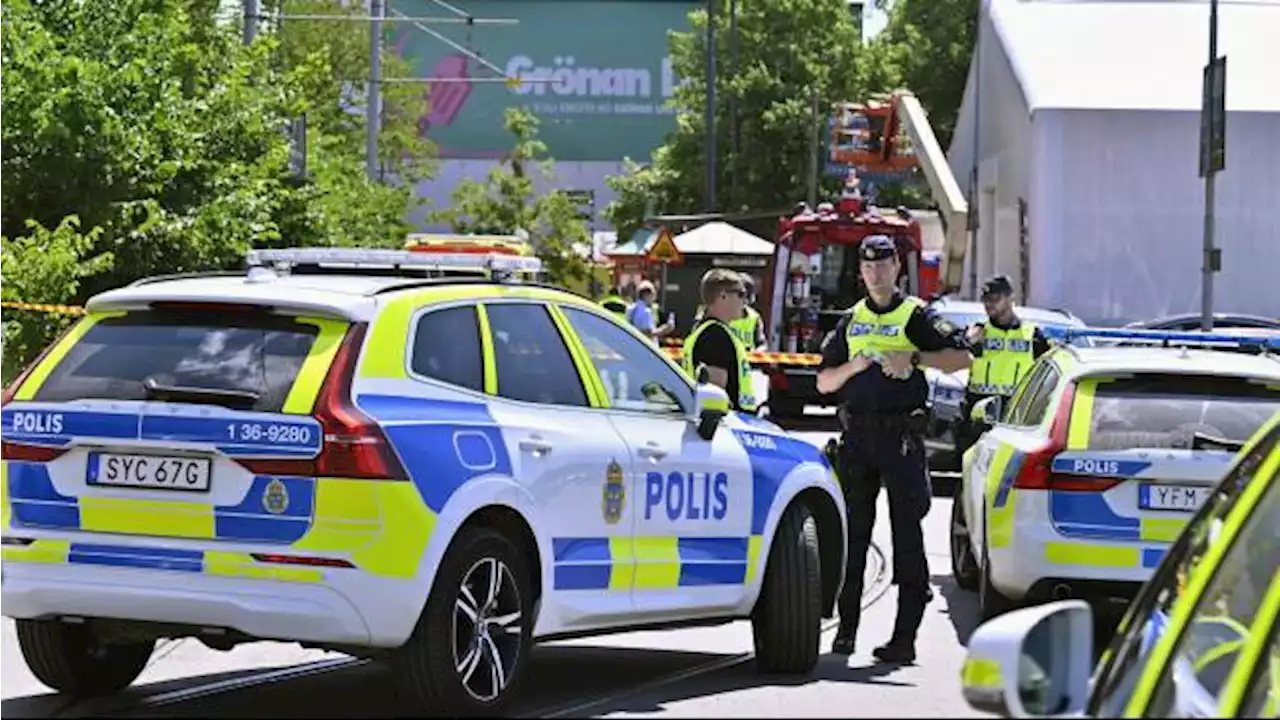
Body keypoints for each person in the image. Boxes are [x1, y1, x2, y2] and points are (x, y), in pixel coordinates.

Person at [816, 234, 973, 663]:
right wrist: (854, 366)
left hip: (900, 440)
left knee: (907, 538)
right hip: (856, 440)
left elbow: (963, 359)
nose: (875, 273)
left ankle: (904, 638)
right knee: (853, 536)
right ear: (861, 272)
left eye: (883, 265)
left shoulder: (915, 315)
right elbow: (824, 382)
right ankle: (845, 631)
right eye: (868, 267)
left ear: (897, 269)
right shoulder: (851, 320)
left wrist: (915, 359)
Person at [954, 274, 1053, 457]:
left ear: (1011, 298)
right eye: (985, 300)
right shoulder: (978, 332)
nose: (989, 305)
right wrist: (967, 341)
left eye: (995, 299)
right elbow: (954, 356)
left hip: (1015, 415)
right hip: (979, 414)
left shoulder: (1032, 335)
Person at [683, 269, 756, 412]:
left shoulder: (708, 330)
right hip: (727, 426)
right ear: (722, 296)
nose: (745, 301)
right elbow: (715, 396)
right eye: (741, 294)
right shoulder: (714, 336)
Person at [727, 274, 767, 351]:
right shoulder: (719, 314)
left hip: (746, 361)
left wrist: (756, 353)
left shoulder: (754, 317)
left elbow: (762, 344)